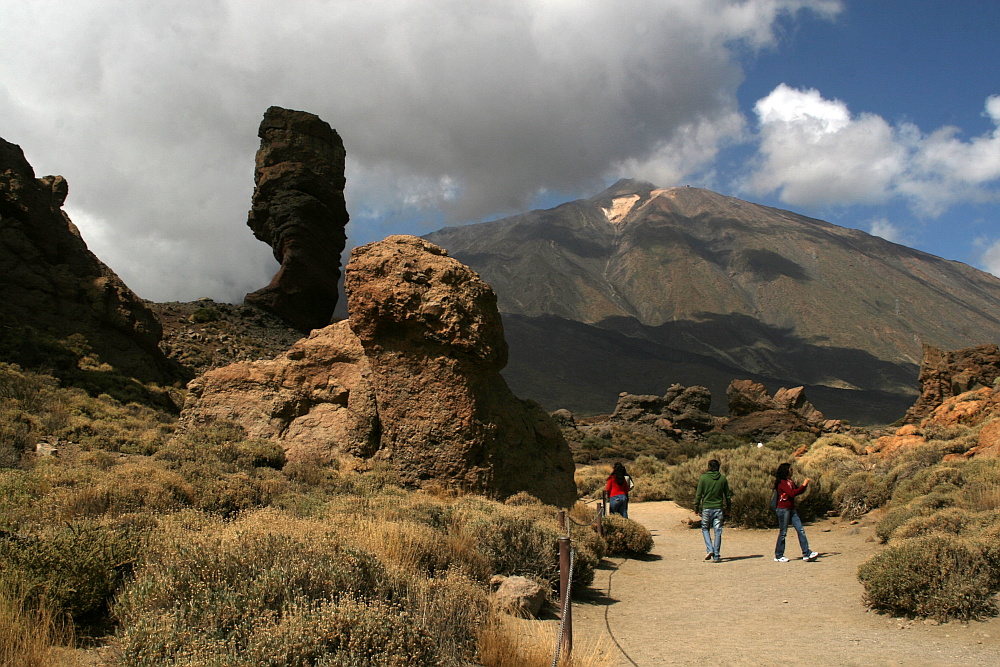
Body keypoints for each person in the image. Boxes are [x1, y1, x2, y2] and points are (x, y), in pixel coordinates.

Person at [772, 462, 819, 562]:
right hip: (783, 510)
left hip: (791, 509)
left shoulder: (790, 481)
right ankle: (779, 555)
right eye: (790, 469)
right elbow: (792, 493)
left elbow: (797, 490)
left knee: (800, 530)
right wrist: (804, 485)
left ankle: (806, 553)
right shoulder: (782, 482)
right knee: (783, 533)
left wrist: (804, 486)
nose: (792, 471)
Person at [694, 459, 732, 563]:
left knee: (705, 528)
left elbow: (698, 494)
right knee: (718, 531)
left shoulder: (703, 478)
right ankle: (716, 555)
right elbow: (727, 496)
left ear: (708, 466)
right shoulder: (723, 479)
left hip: (706, 508)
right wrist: (728, 508)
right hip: (718, 508)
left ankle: (709, 549)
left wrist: (696, 507)